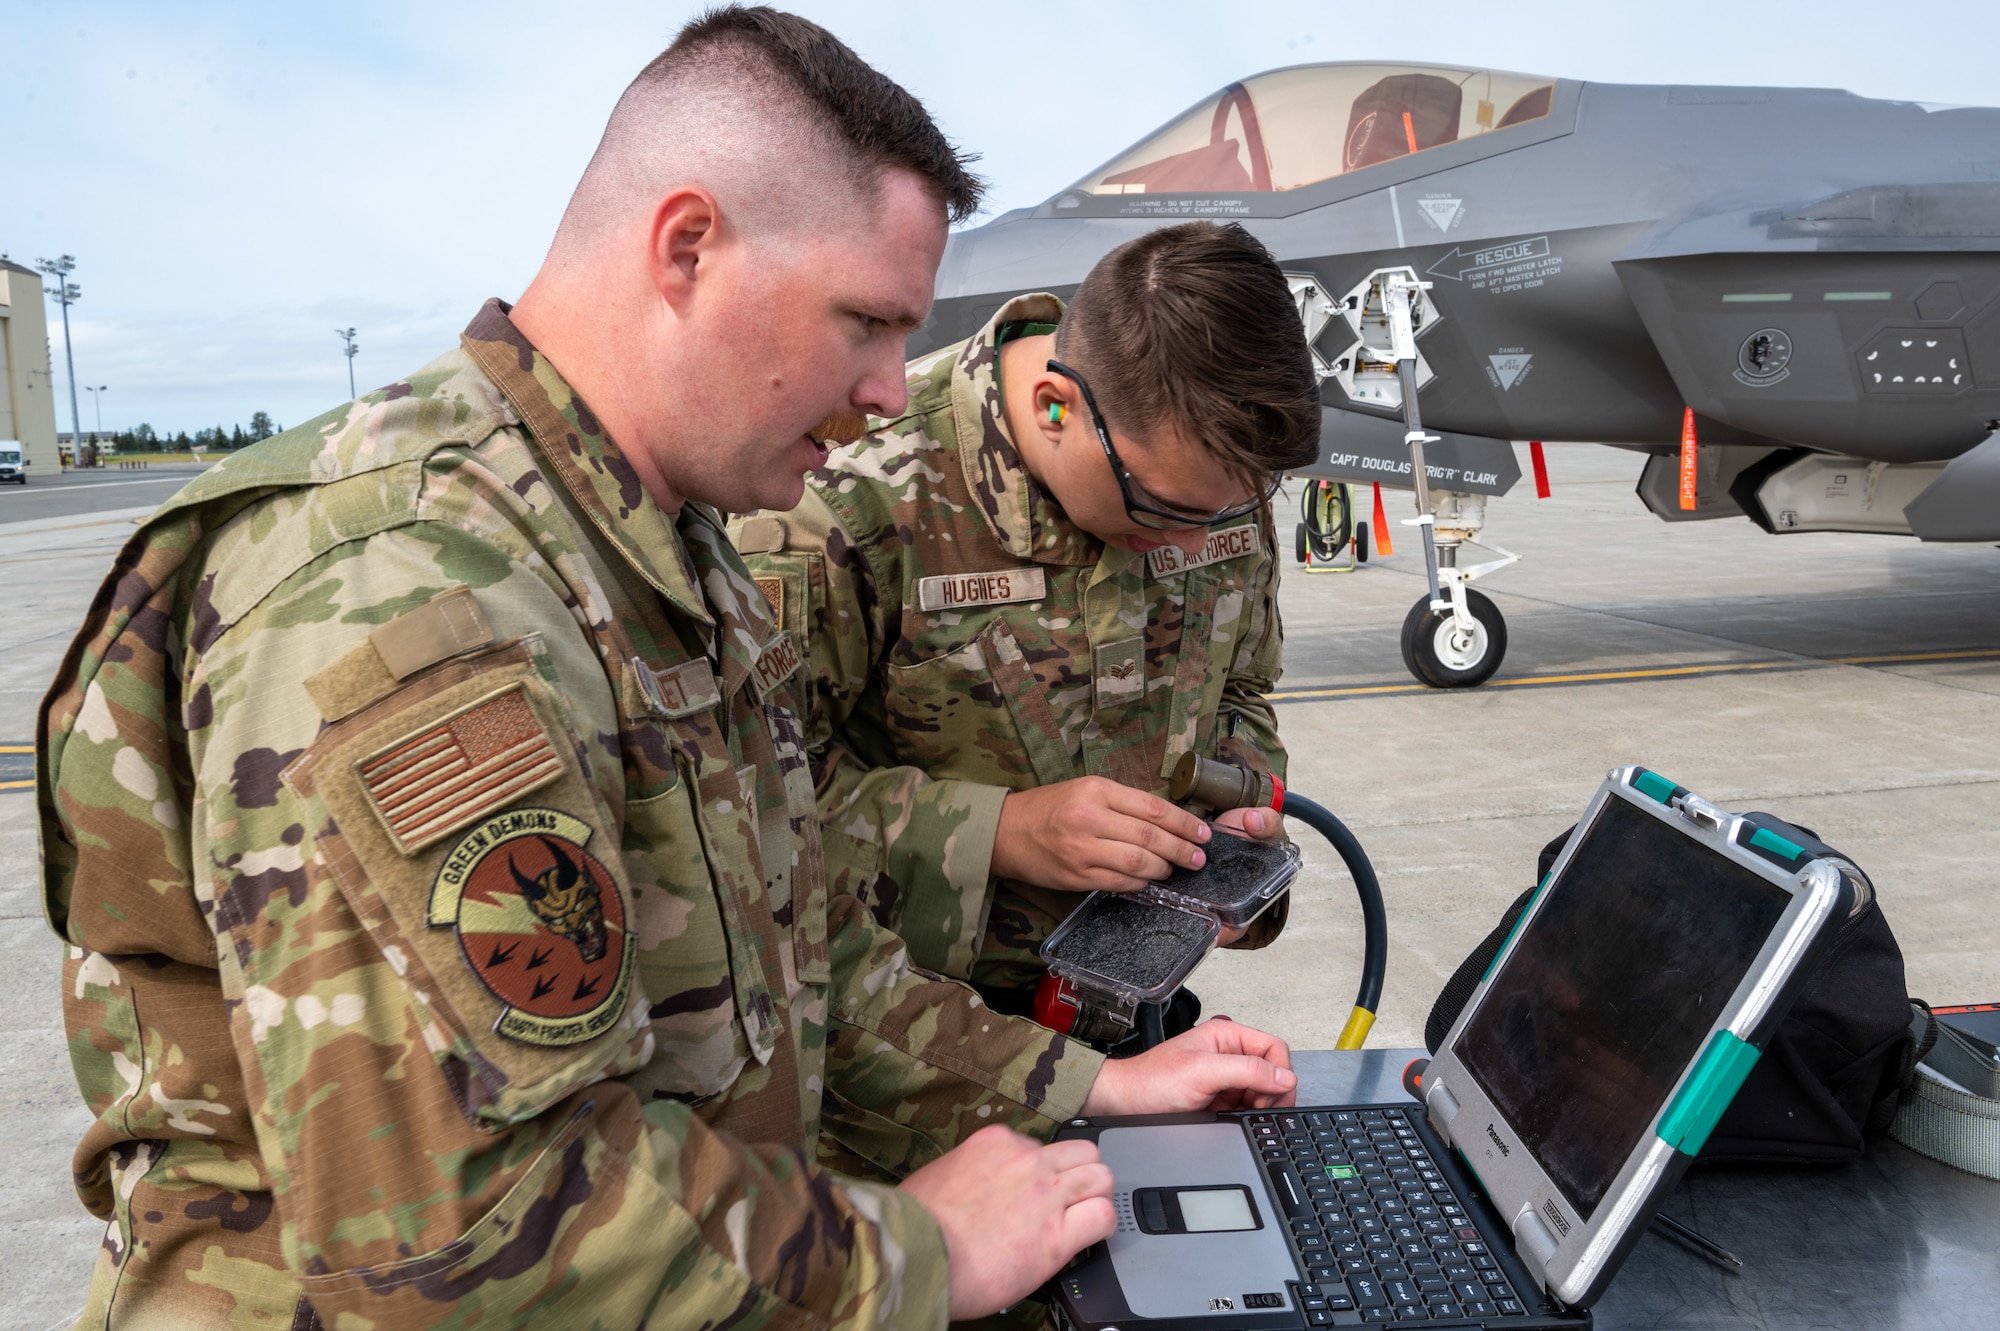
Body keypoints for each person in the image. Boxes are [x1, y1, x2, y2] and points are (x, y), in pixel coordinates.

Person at [38, 11, 1298, 1329]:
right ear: (687, 246)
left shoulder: (671, 563)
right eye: (863, 321)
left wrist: (1088, 1089)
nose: (886, 390)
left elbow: (811, 969)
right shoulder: (410, 600)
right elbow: (474, 1232)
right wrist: (910, 1251)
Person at [732, 222, 1322, 1067]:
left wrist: (1235, 802)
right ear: (1056, 408)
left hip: (1137, 1017)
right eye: (1163, 512)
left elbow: (1240, 694)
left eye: (1225, 514)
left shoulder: (1206, 468)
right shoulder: (843, 501)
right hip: (906, 1046)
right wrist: (1003, 832)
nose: (1191, 549)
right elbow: (750, 810)